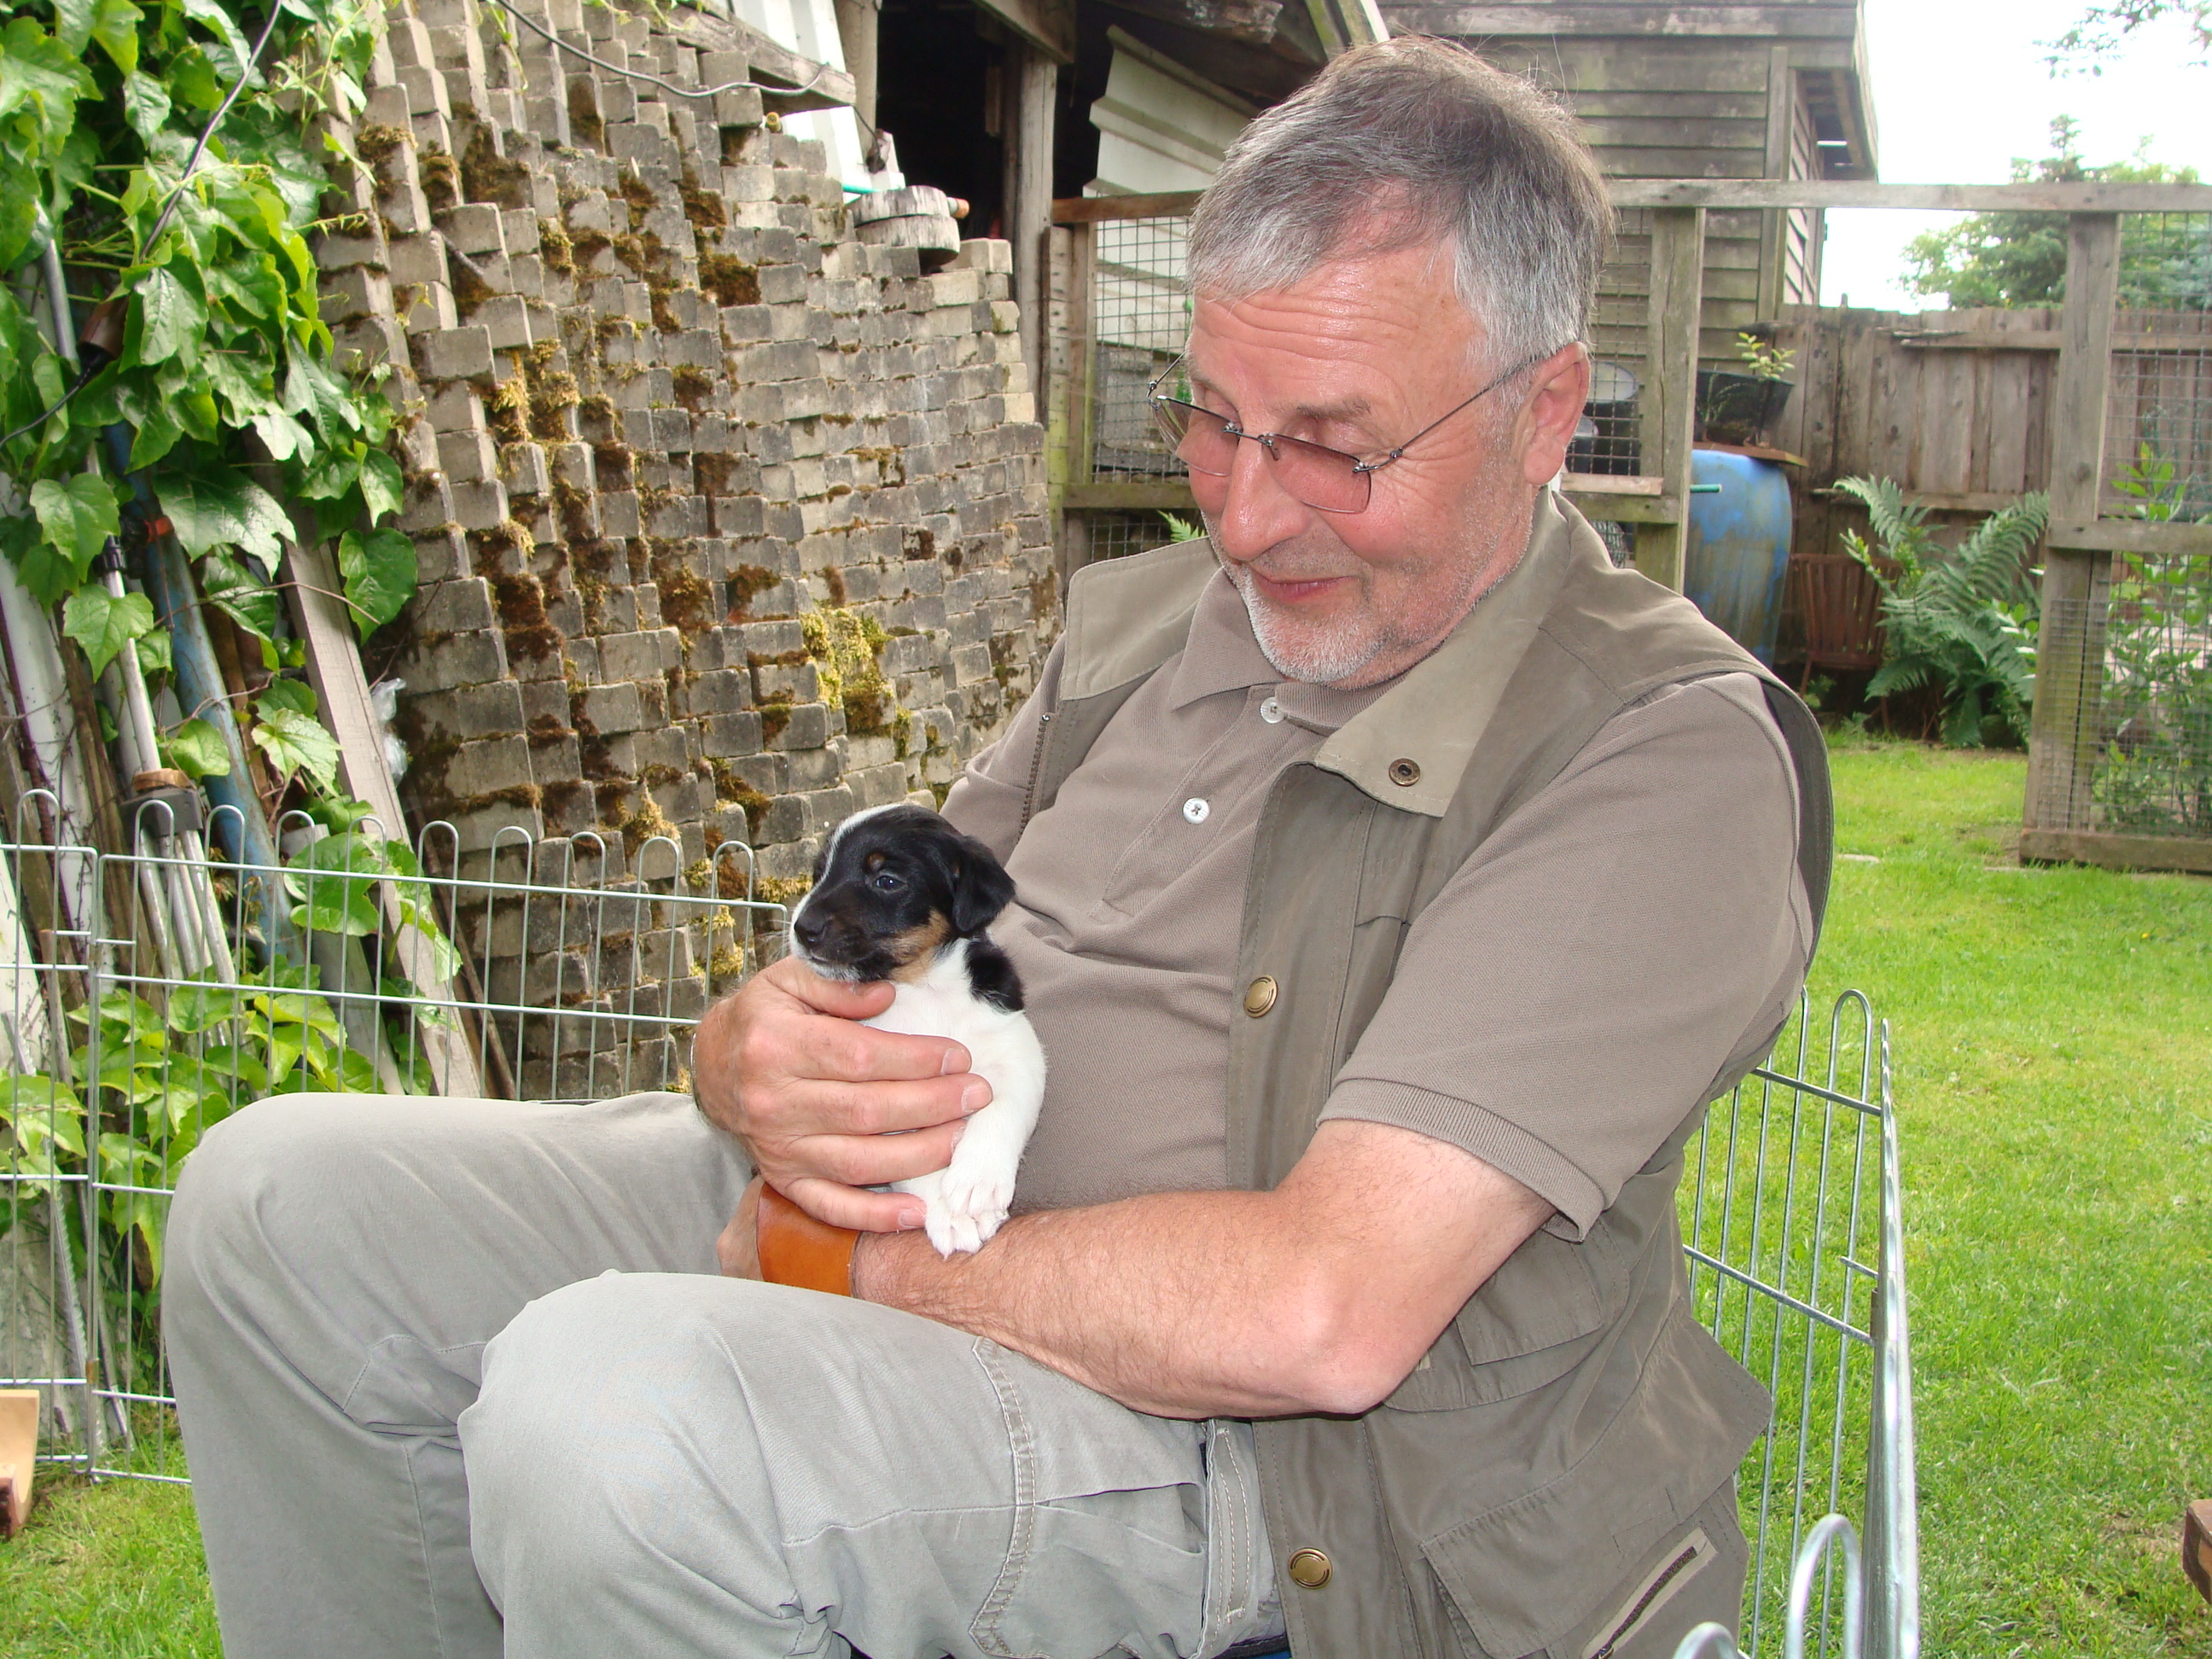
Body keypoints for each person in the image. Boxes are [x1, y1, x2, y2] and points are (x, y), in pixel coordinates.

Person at [165, 35, 1830, 1659]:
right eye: (1215, 419)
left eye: (1336, 445)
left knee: (624, 1416)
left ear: (1546, 412)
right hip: (918, 1222)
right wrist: (751, 1058)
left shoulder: (1658, 754)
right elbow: (872, 960)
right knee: (279, 1208)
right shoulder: (1147, 623)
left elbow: (1327, 1312)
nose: (1246, 516)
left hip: (1260, 1460)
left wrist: (841, 1269)